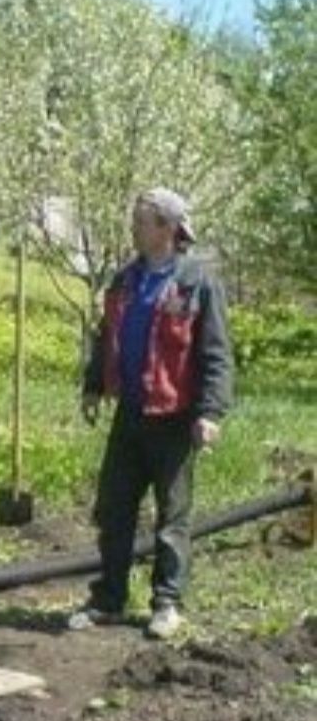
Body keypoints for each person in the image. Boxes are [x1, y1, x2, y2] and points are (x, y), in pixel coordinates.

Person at [71, 187, 233, 640]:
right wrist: (93, 384)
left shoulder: (196, 282)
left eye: (142, 220)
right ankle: (109, 600)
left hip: (176, 418)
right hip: (131, 414)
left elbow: (217, 353)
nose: (134, 227)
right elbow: (107, 337)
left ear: (166, 228)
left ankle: (167, 604)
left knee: (171, 518)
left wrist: (210, 412)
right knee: (114, 509)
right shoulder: (126, 280)